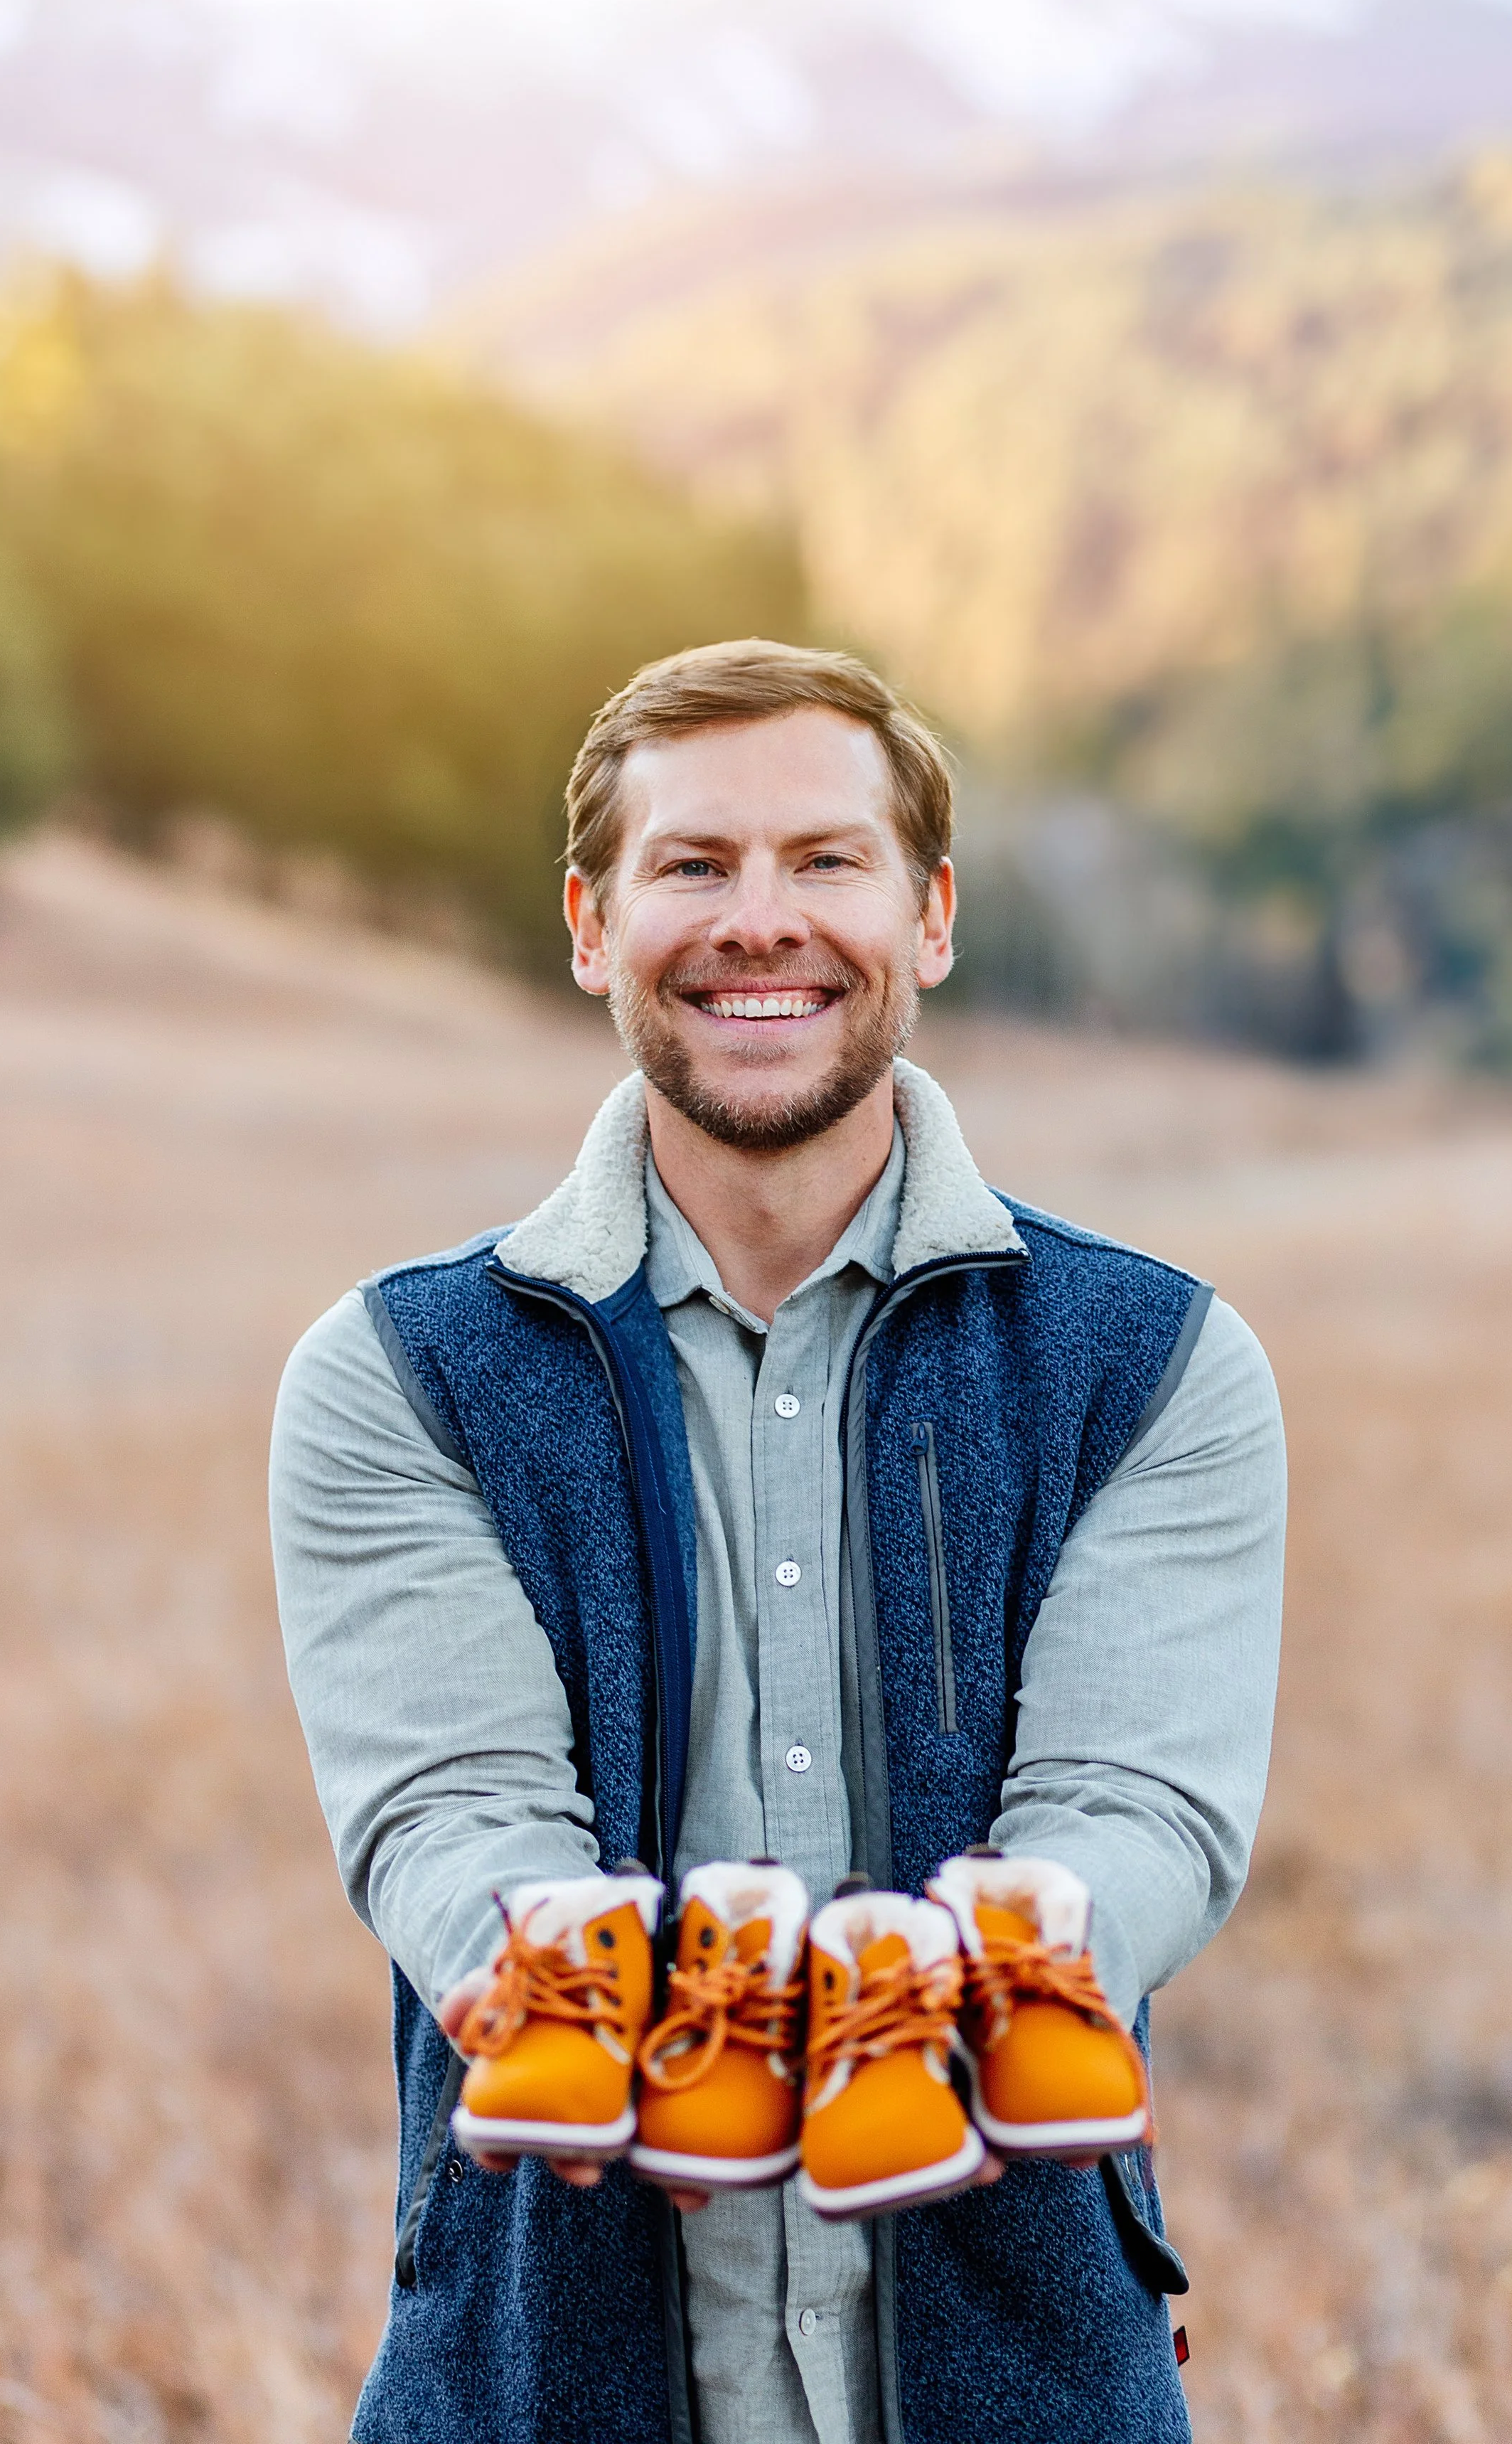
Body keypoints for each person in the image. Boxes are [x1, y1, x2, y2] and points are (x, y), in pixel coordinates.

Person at [269, 639, 1285, 2444]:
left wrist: (1004, 1949)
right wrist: (546, 1954)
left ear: (932, 914)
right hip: (527, 2381)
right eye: (692, 865)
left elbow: (1145, 1816)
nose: (761, 921)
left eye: (825, 860)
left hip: (1026, 2385)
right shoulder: (395, 1379)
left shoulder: (1157, 1365)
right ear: (589, 924)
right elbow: (445, 1815)